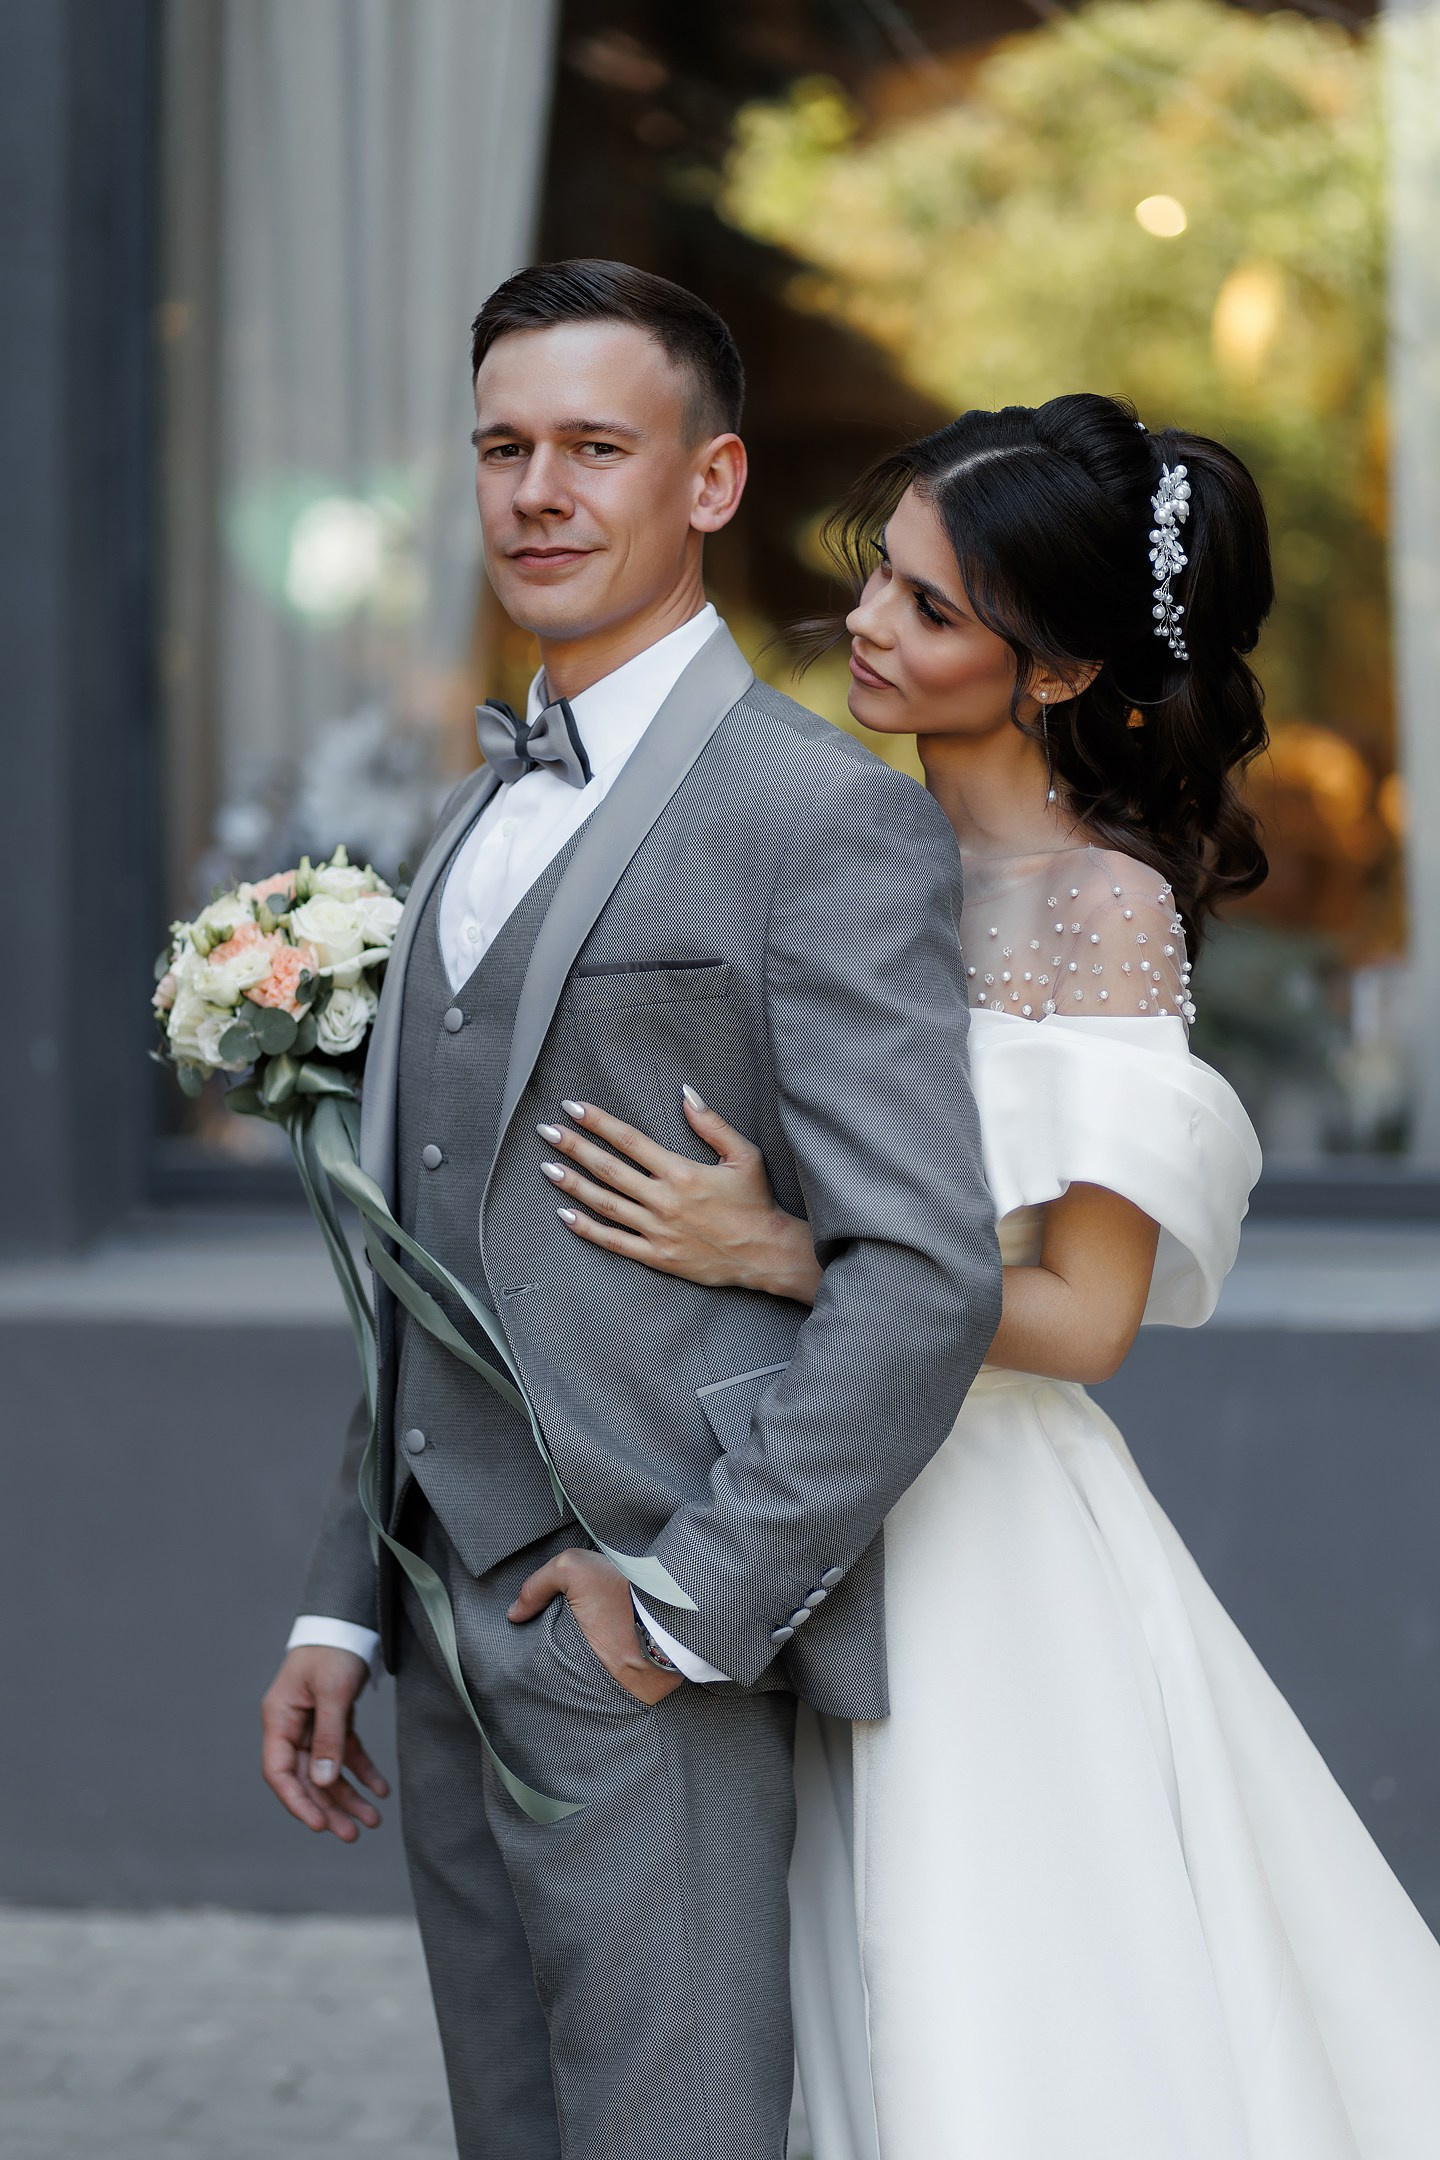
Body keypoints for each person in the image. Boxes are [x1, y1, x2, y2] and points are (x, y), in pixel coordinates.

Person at [529, 394, 1440, 2158]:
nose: (867, 621)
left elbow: (1090, 1320)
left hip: (984, 1527)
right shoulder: (821, 839)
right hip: (785, 1480)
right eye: (881, 573)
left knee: (997, 2001)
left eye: (932, 608)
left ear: (1062, 672)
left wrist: (783, 1249)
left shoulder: (1095, 908)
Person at [258, 259, 1003, 2160]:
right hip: (444, 1619)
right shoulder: (460, 815)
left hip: (649, 1634)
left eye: (598, 446)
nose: (539, 492)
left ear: (713, 480)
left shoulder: (818, 814)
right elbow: (422, 1244)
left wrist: (687, 1608)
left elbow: (925, 1272)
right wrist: (345, 1604)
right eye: (503, 448)